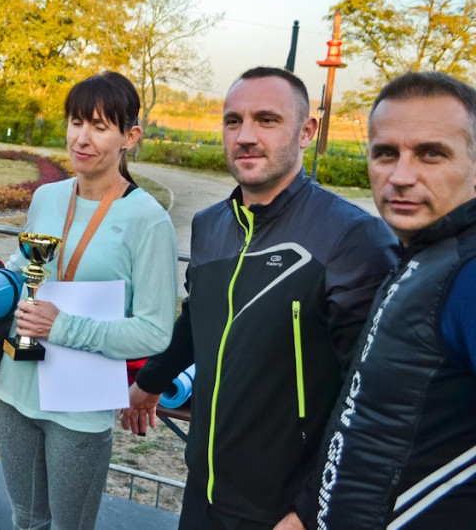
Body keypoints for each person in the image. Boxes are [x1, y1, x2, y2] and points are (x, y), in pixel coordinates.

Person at [122, 67, 399, 529]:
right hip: (203, 492)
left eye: (267, 120)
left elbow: (373, 399)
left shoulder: (355, 238)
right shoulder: (210, 225)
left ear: (306, 131)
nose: (245, 136)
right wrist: (151, 381)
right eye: (233, 121)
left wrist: (310, 509)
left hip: (284, 510)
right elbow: (198, 319)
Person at [290, 72, 476, 530]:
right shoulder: (425, 255)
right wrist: (308, 513)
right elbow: (370, 414)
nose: (401, 176)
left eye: (432, 154)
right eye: (385, 153)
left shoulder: (466, 273)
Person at [0, 71, 179, 530]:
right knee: (26, 520)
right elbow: (23, 270)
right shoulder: (47, 198)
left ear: (130, 137)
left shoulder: (148, 220)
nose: (82, 137)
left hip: (80, 404)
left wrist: (64, 327)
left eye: (99, 126)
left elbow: (156, 330)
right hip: (16, 388)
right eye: (76, 122)